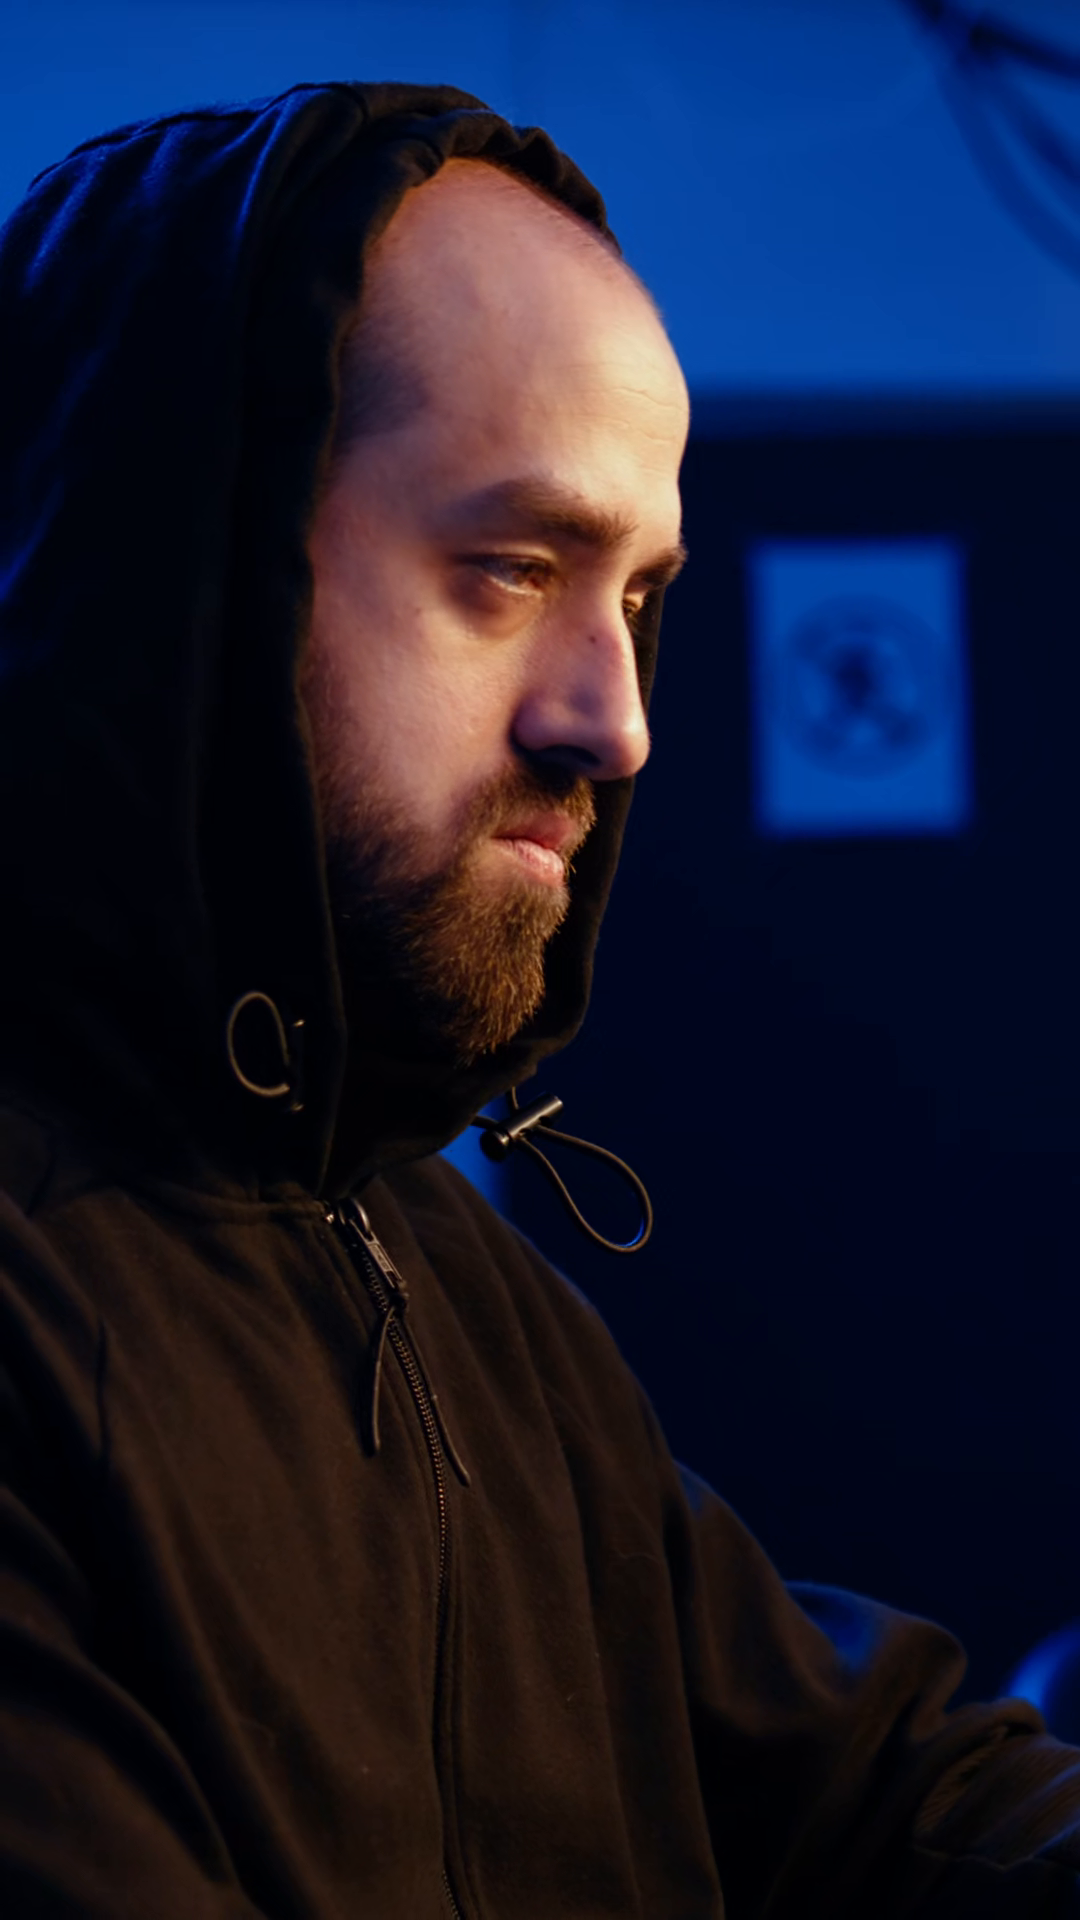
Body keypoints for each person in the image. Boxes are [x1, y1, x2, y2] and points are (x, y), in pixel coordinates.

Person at [0, 78, 1077, 1920]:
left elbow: (867, 1790)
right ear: (184, 581)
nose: (617, 720)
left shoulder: (441, 1268)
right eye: (512, 571)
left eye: (638, 599)